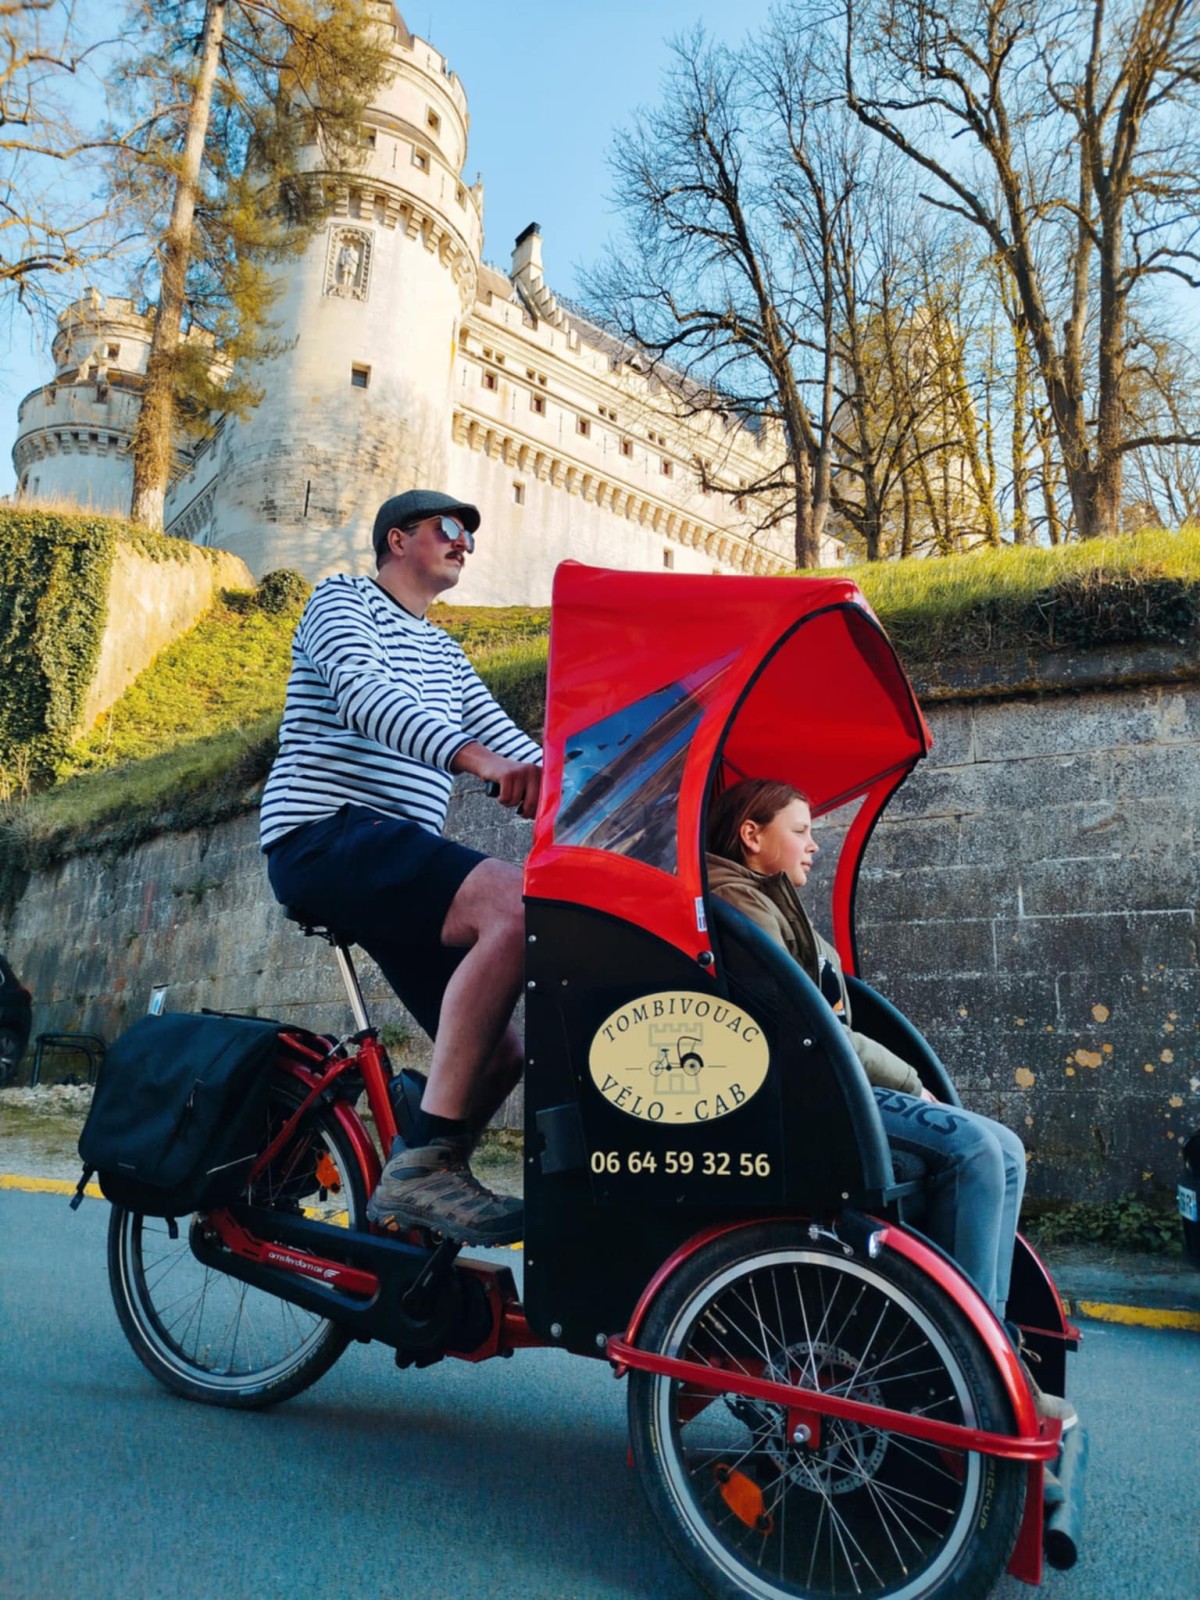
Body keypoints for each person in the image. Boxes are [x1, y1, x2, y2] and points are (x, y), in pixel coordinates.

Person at [706, 778, 1075, 1428]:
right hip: (803, 1097)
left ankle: (986, 1350)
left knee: (1004, 1148)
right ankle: (977, 1374)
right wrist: (911, 1081)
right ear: (751, 835)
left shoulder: (773, 900)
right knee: (974, 1151)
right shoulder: (738, 902)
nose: (814, 845)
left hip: (828, 1082)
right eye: (801, 830)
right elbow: (810, 1021)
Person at [260, 488, 543, 1246]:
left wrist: (598, 789)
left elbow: (514, 744)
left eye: (470, 538)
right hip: (322, 837)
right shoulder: (342, 601)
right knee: (512, 905)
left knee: (502, 1052)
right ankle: (425, 1174)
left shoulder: (446, 655)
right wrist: (473, 758)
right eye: (450, 529)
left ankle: (402, 1198)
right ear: (396, 540)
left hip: (389, 858)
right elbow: (365, 693)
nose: (464, 544)